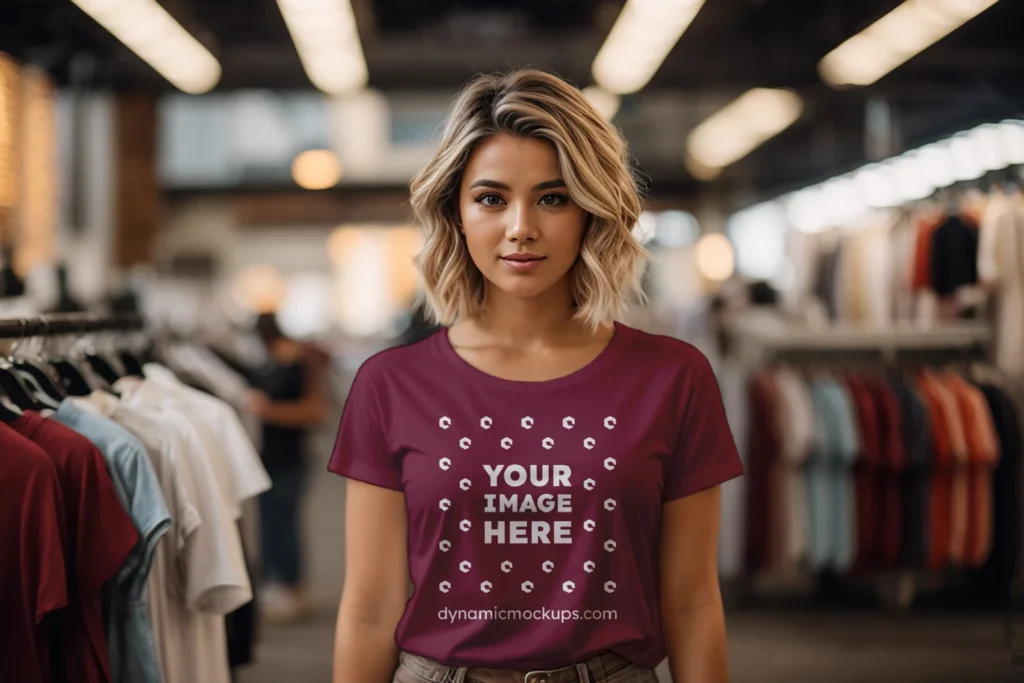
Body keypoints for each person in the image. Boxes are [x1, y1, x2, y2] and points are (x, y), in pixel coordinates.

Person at [328, 70, 745, 683]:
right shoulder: (390, 385)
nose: (521, 226)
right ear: (457, 212)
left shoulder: (673, 378)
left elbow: (692, 603)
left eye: (553, 197)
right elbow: (369, 610)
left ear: (591, 211)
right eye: (491, 198)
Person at [244, 312, 328, 623]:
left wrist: (268, 411)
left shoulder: (302, 363)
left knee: (286, 524)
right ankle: (276, 585)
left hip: (292, 458)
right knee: (269, 524)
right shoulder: (269, 364)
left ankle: (292, 588)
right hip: (265, 458)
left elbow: (316, 412)